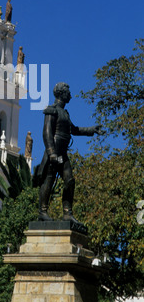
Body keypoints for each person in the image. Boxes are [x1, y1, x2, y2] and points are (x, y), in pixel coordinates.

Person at [37, 82, 101, 224]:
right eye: (68, 92)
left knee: (69, 180)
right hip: (54, 153)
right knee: (49, 180)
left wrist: (91, 130)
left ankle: (67, 213)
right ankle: (42, 211)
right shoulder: (51, 110)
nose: (70, 95)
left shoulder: (64, 113)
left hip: (63, 154)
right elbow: (47, 133)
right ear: (61, 94)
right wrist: (51, 152)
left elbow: (74, 130)